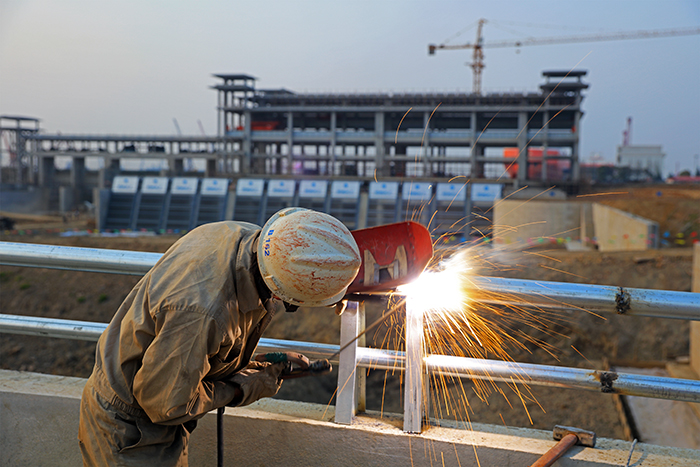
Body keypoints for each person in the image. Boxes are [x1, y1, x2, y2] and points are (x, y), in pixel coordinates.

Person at [78, 207, 361, 466]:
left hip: (147, 411)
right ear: (287, 293)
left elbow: (196, 347)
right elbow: (165, 403)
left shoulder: (250, 240)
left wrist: (247, 365)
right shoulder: (204, 312)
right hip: (131, 433)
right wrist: (242, 387)